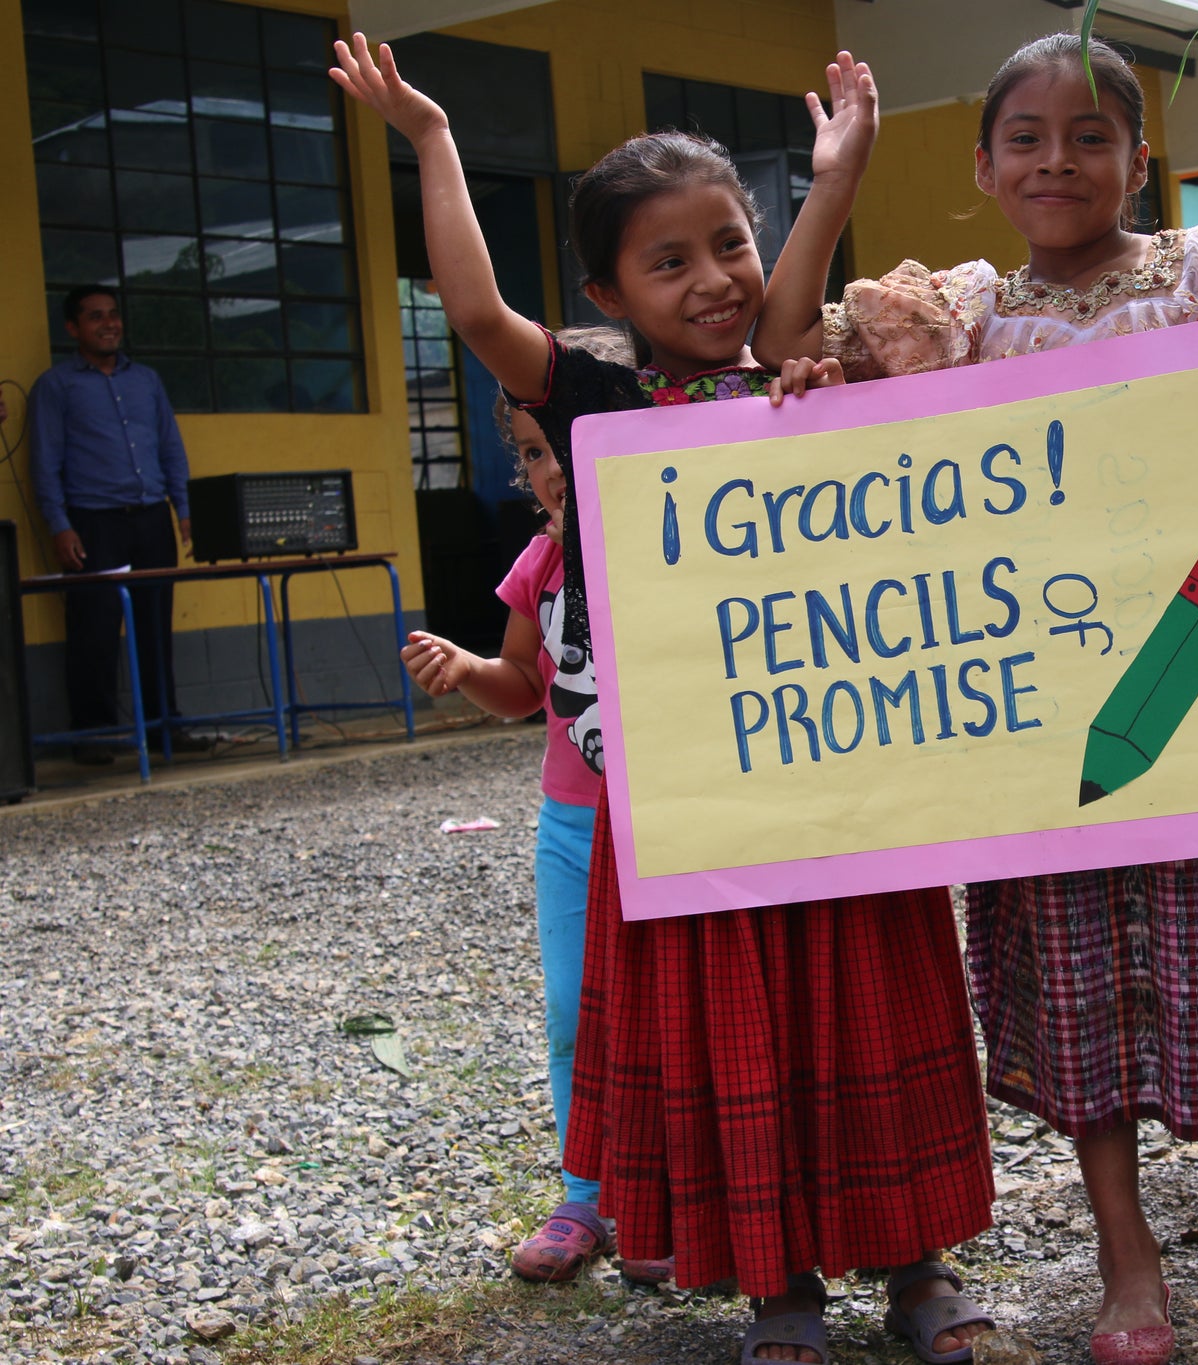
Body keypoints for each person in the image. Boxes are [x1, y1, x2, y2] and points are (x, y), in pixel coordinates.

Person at [331, 37, 996, 1365]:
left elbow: (796, 294)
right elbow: (472, 315)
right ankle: (781, 1289)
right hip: (697, 811)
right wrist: (434, 140)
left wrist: (837, 174)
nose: (715, 279)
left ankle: (918, 1263)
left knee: (867, 1008)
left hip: (844, 793)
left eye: (730, 243)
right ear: (606, 293)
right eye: (669, 260)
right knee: (745, 1034)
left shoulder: (798, 377)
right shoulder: (594, 402)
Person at [756, 36, 1198, 1365]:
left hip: (1187, 699)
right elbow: (800, 367)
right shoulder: (957, 316)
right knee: (1071, 993)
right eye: (1030, 138)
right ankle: (1129, 1258)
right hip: (1029, 723)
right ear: (986, 166)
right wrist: (823, 352)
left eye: (1092, 134)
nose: (1061, 159)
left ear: (1140, 159)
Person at [398, 327, 673, 1288]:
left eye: (570, 436)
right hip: (572, 824)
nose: (554, 466)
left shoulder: (683, 536)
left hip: (678, 824)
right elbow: (524, 682)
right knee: (573, 1007)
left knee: (672, 1007)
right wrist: (467, 668)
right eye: (532, 450)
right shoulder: (540, 566)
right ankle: (585, 1195)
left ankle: (670, 1198)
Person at [27, 286, 193, 763]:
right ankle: (94, 735)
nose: (109, 323)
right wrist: (60, 525)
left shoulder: (146, 381)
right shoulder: (56, 386)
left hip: (149, 517)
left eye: (114, 314)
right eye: (95, 316)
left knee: (155, 625)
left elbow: (169, 446)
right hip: (92, 522)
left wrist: (181, 507)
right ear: (73, 328)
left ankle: (166, 727)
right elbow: (45, 462)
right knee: (94, 630)